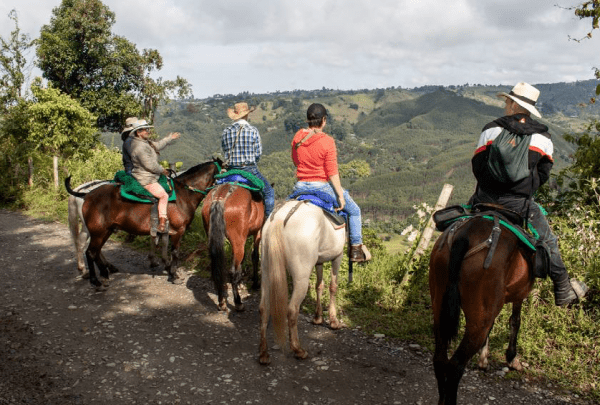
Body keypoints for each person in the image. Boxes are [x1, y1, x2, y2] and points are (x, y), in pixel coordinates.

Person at [469, 82, 588, 306]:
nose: (505, 105)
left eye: (507, 101)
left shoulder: (490, 130)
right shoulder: (543, 138)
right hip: (519, 205)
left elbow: (477, 165)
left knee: (461, 221)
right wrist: (523, 189)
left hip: (486, 199)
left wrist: (490, 188)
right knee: (548, 240)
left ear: (514, 104)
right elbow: (543, 173)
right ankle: (562, 289)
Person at [291, 103, 371, 262]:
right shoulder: (327, 141)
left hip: (300, 186)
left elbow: (296, 162)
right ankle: (356, 248)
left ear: (308, 120)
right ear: (324, 120)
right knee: (354, 210)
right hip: (321, 185)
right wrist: (340, 196)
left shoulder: (298, 137)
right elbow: (332, 172)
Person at [221, 102, 274, 218]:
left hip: (230, 171)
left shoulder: (226, 131)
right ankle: (267, 223)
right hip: (249, 169)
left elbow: (225, 150)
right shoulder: (253, 130)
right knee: (269, 192)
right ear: (247, 115)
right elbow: (258, 154)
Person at [129, 119, 181, 233]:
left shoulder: (144, 142)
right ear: (139, 132)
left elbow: (157, 145)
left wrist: (169, 138)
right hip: (146, 178)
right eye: (146, 130)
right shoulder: (139, 147)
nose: (148, 131)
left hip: (150, 175)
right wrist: (162, 170)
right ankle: (162, 222)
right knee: (164, 196)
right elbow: (150, 165)